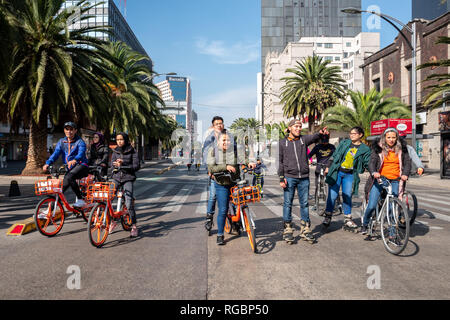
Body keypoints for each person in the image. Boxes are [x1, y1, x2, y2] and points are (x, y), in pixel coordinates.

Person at [278, 119, 329, 243]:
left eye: (300, 126)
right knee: (288, 203)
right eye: (296, 126)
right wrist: (281, 177)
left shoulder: (303, 140)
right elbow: (280, 161)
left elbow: (313, 137)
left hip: (304, 178)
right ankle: (288, 228)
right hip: (289, 177)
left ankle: (305, 228)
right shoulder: (282, 143)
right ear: (290, 128)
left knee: (304, 203)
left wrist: (320, 133)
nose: (299, 128)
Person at [361, 127, 411, 235]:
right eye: (389, 137)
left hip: (395, 180)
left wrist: (405, 174)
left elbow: (407, 163)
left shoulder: (402, 148)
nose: (391, 140)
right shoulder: (378, 148)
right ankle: (365, 224)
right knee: (372, 205)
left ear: (397, 138)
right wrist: (374, 172)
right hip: (380, 179)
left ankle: (392, 234)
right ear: (384, 137)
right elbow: (372, 162)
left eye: (394, 137)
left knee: (392, 207)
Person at [322, 127, 371, 230]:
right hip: (337, 172)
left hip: (350, 175)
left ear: (360, 135)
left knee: (347, 195)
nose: (351, 135)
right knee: (332, 195)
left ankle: (348, 218)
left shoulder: (365, 149)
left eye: (354, 133)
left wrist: (372, 172)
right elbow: (335, 155)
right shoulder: (344, 143)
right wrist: (328, 167)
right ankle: (328, 216)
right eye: (350, 133)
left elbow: (367, 162)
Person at [43, 122, 89, 209]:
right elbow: (56, 153)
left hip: (82, 165)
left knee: (70, 177)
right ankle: (49, 211)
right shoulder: (61, 142)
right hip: (70, 168)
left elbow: (81, 153)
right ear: (64, 130)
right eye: (67, 129)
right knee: (60, 189)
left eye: (71, 129)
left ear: (75, 131)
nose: (69, 131)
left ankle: (80, 199)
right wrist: (47, 163)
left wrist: (75, 160)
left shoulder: (80, 142)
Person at [109, 132, 140, 237]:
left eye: (121, 139)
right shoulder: (115, 151)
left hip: (128, 178)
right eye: (117, 140)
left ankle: (134, 226)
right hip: (116, 178)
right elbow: (111, 165)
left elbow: (136, 166)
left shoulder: (133, 151)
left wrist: (123, 164)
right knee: (108, 198)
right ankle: (112, 221)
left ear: (126, 140)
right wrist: (114, 167)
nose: (119, 141)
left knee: (128, 202)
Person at [203, 116, 225, 232]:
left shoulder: (228, 136)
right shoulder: (209, 138)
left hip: (227, 170)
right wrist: (209, 170)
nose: (219, 125)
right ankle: (209, 217)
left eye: (221, 123)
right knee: (213, 196)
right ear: (213, 126)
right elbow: (206, 154)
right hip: (214, 171)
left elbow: (236, 149)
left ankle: (234, 220)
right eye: (217, 124)